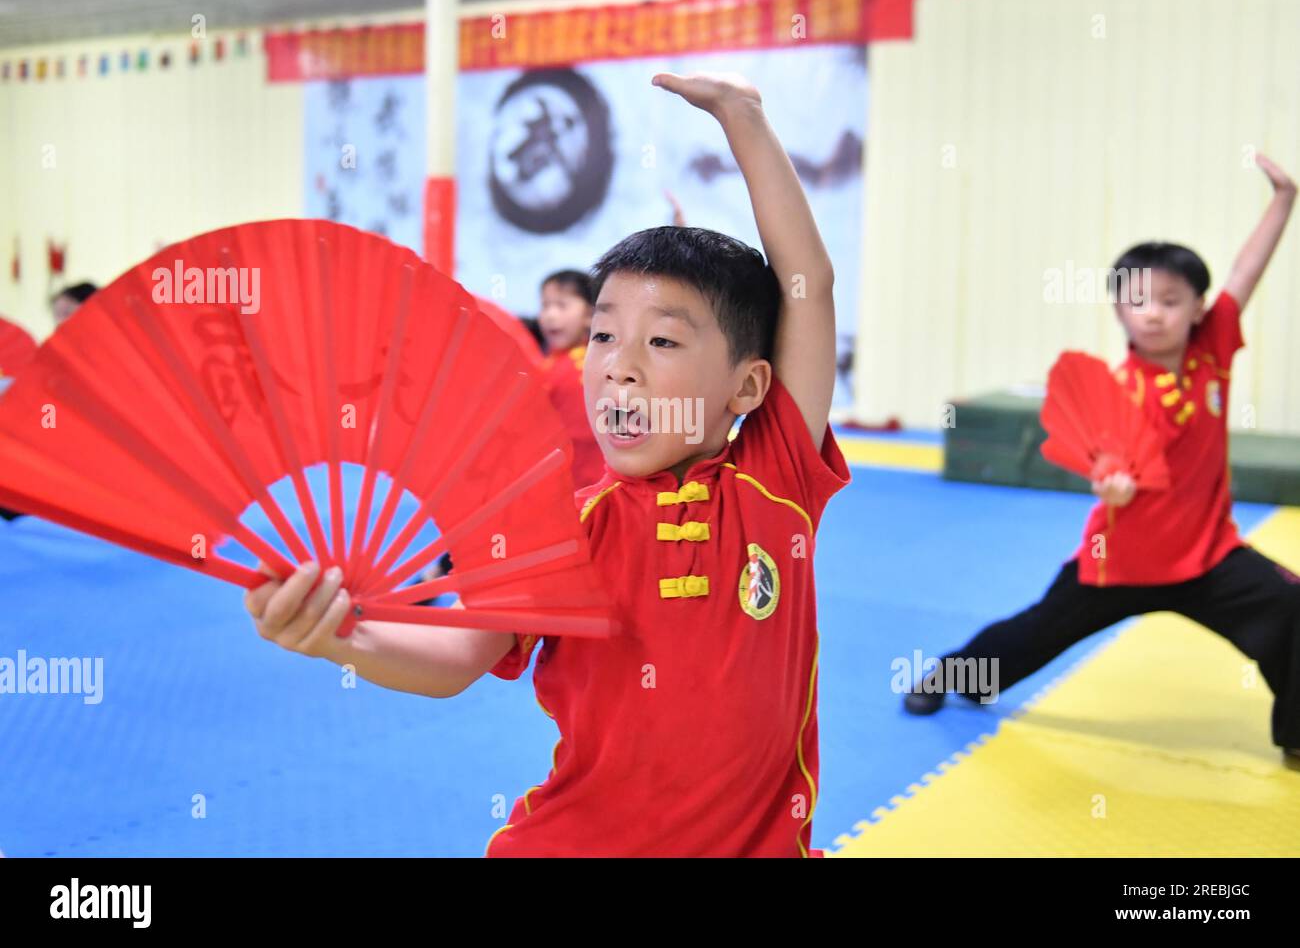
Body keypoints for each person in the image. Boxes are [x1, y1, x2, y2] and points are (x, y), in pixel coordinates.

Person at [242, 71, 849, 855]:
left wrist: (746, 123)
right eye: (603, 336)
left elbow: (810, 286)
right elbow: (457, 657)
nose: (618, 367)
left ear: (748, 386)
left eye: (661, 341)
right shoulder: (561, 528)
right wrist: (335, 634)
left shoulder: (776, 481)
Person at [905, 154, 1300, 767]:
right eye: (1138, 300)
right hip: (1120, 565)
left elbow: (1248, 269)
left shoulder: (1213, 348)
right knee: (1033, 633)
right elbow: (1109, 470)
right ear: (1118, 310)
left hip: (1210, 556)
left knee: (1291, 609)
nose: (1153, 312)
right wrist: (1112, 487)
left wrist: (1283, 198)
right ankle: (947, 676)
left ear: (1198, 307)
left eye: (1171, 300)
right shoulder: (1117, 391)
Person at [535, 270, 604, 490]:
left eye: (561, 305)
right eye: (545, 305)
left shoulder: (584, 369)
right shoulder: (551, 363)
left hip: (579, 482)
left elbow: (582, 440)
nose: (550, 315)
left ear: (589, 315)